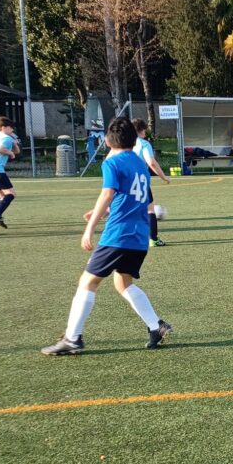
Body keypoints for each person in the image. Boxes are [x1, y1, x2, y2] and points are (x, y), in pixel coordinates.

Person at [42, 116, 172, 356]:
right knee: (123, 282)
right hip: (139, 236)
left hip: (118, 235)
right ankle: (156, 326)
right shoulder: (139, 163)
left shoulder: (112, 162)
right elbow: (135, 199)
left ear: (108, 140)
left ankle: (72, 338)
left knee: (88, 282)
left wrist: (90, 227)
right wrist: (107, 211)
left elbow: (107, 194)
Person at [131, 118, 172, 248]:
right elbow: (151, 162)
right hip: (139, 181)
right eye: (144, 130)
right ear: (141, 130)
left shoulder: (125, 143)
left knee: (128, 209)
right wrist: (163, 177)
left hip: (125, 179)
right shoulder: (143, 144)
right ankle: (153, 239)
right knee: (150, 209)